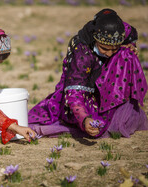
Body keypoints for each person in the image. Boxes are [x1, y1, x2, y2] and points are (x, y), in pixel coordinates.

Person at [28, 9, 148, 138]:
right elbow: (74, 93)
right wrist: (84, 119)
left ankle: (115, 101)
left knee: (127, 54)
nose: (109, 53)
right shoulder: (82, 54)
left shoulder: (119, 31)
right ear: (95, 39)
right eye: (104, 48)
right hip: (81, 91)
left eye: (114, 48)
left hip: (104, 80)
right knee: (89, 117)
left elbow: (131, 33)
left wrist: (130, 45)